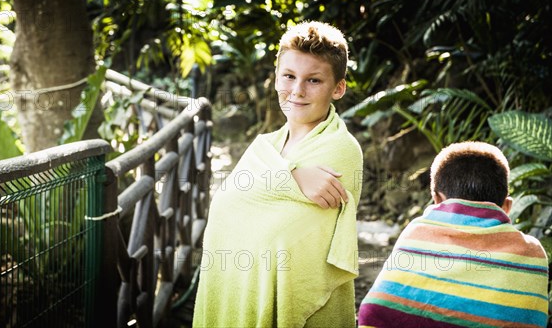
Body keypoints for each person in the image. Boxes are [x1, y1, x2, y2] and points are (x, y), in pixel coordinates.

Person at [193, 21, 363, 327]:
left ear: (338, 88)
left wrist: (264, 189)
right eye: (289, 76)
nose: (297, 91)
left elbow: (285, 236)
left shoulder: (340, 149)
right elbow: (224, 205)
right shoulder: (266, 146)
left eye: (313, 80)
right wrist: (292, 177)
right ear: (275, 79)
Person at [358, 141, 550, 328]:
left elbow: (378, 309)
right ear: (507, 206)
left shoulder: (417, 232)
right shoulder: (531, 252)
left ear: (436, 200)